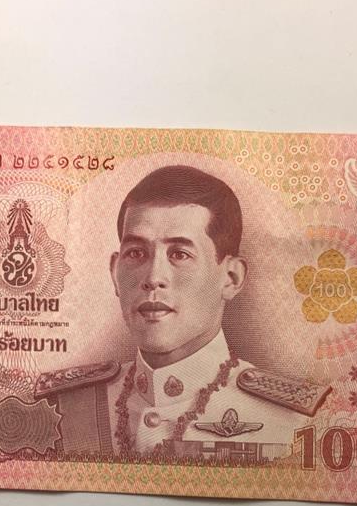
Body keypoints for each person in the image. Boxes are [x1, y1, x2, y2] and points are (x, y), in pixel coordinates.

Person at [34, 165, 330, 461]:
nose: (153, 277)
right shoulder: (56, 411)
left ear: (231, 278)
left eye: (179, 254)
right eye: (136, 253)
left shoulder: (294, 423)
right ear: (114, 273)